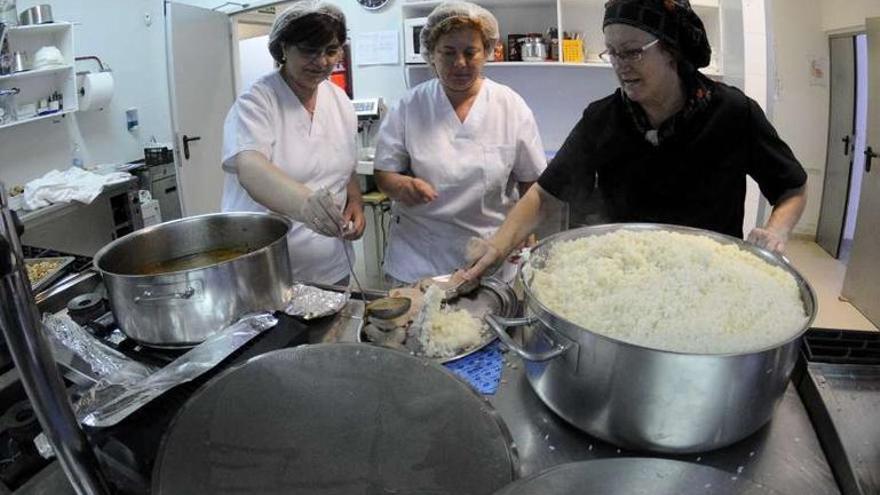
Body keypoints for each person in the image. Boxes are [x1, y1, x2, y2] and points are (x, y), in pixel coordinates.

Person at [464, 0, 808, 280]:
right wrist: (498, 246)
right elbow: (544, 195)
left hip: (708, 278)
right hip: (624, 279)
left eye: (632, 52)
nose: (620, 65)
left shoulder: (733, 112)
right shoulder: (603, 118)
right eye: (612, 53)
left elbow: (792, 188)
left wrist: (776, 231)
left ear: (671, 52)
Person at [373, 1, 547, 285]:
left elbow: (531, 182)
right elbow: (383, 174)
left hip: (490, 252)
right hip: (420, 256)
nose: (460, 63)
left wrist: (523, 232)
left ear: (486, 51)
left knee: (486, 326)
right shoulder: (409, 105)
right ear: (431, 53)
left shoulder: (510, 106)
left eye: (470, 52)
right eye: (448, 52)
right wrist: (402, 185)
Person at [220, 1, 364, 285]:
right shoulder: (257, 102)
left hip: (332, 267)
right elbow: (251, 169)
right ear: (283, 48)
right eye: (309, 50)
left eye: (331, 50)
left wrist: (356, 202)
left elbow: (346, 167)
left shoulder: (341, 102)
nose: (322, 61)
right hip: (270, 272)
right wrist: (304, 204)